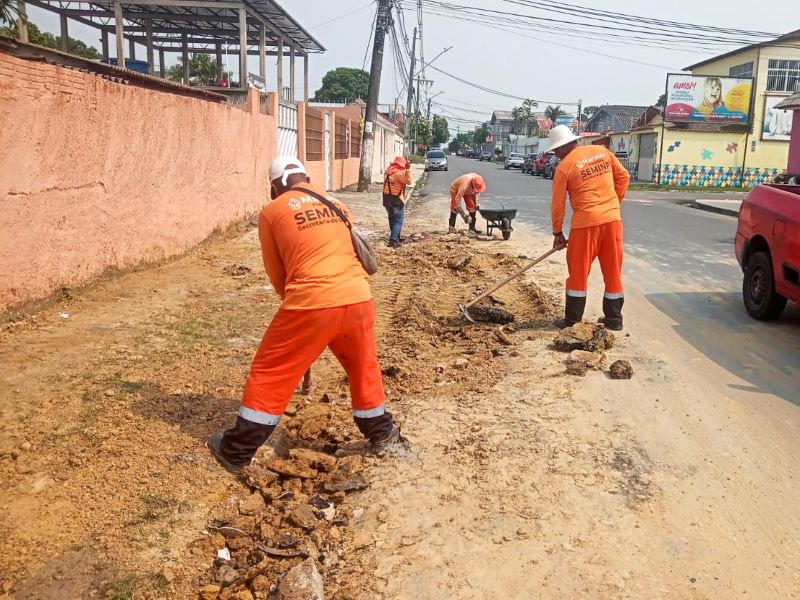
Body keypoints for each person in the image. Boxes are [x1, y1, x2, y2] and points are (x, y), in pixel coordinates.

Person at [207, 157, 400, 474]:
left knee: (271, 371)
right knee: (363, 366)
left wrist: (302, 331)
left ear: (275, 185)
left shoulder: (272, 212)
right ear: (305, 178)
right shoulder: (337, 203)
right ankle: (381, 432)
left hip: (311, 302)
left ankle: (236, 451)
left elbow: (277, 274)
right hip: (358, 298)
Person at [548, 125, 631, 331]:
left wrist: (558, 232)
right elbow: (624, 177)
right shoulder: (602, 152)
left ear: (566, 145)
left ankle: (572, 319)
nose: (556, 154)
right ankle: (614, 319)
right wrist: (613, 204)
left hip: (585, 225)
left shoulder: (564, 167)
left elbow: (558, 205)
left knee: (578, 271)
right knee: (613, 271)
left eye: (556, 149)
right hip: (613, 220)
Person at [382, 156, 412, 247]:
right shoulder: (398, 174)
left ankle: (396, 237)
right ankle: (393, 240)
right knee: (398, 220)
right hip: (396, 199)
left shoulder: (387, 171)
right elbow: (409, 181)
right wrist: (407, 170)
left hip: (386, 198)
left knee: (391, 218)